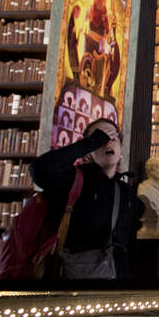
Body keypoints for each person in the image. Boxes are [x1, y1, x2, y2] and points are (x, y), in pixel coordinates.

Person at [26, 119, 136, 279]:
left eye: (113, 138)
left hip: (116, 280)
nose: (108, 143)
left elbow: (130, 244)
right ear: (89, 148)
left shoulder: (126, 192)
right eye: (101, 138)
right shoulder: (73, 180)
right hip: (75, 277)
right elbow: (40, 168)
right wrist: (90, 142)